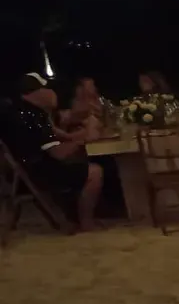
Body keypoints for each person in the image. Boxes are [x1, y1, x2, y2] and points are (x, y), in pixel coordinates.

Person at [0, 74, 103, 229]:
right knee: (94, 172)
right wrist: (85, 139)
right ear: (35, 92)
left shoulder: (25, 112)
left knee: (79, 160)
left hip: (28, 170)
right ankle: (86, 222)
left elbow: (60, 138)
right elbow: (58, 153)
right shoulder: (32, 117)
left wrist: (82, 135)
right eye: (47, 88)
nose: (52, 92)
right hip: (38, 173)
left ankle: (75, 215)